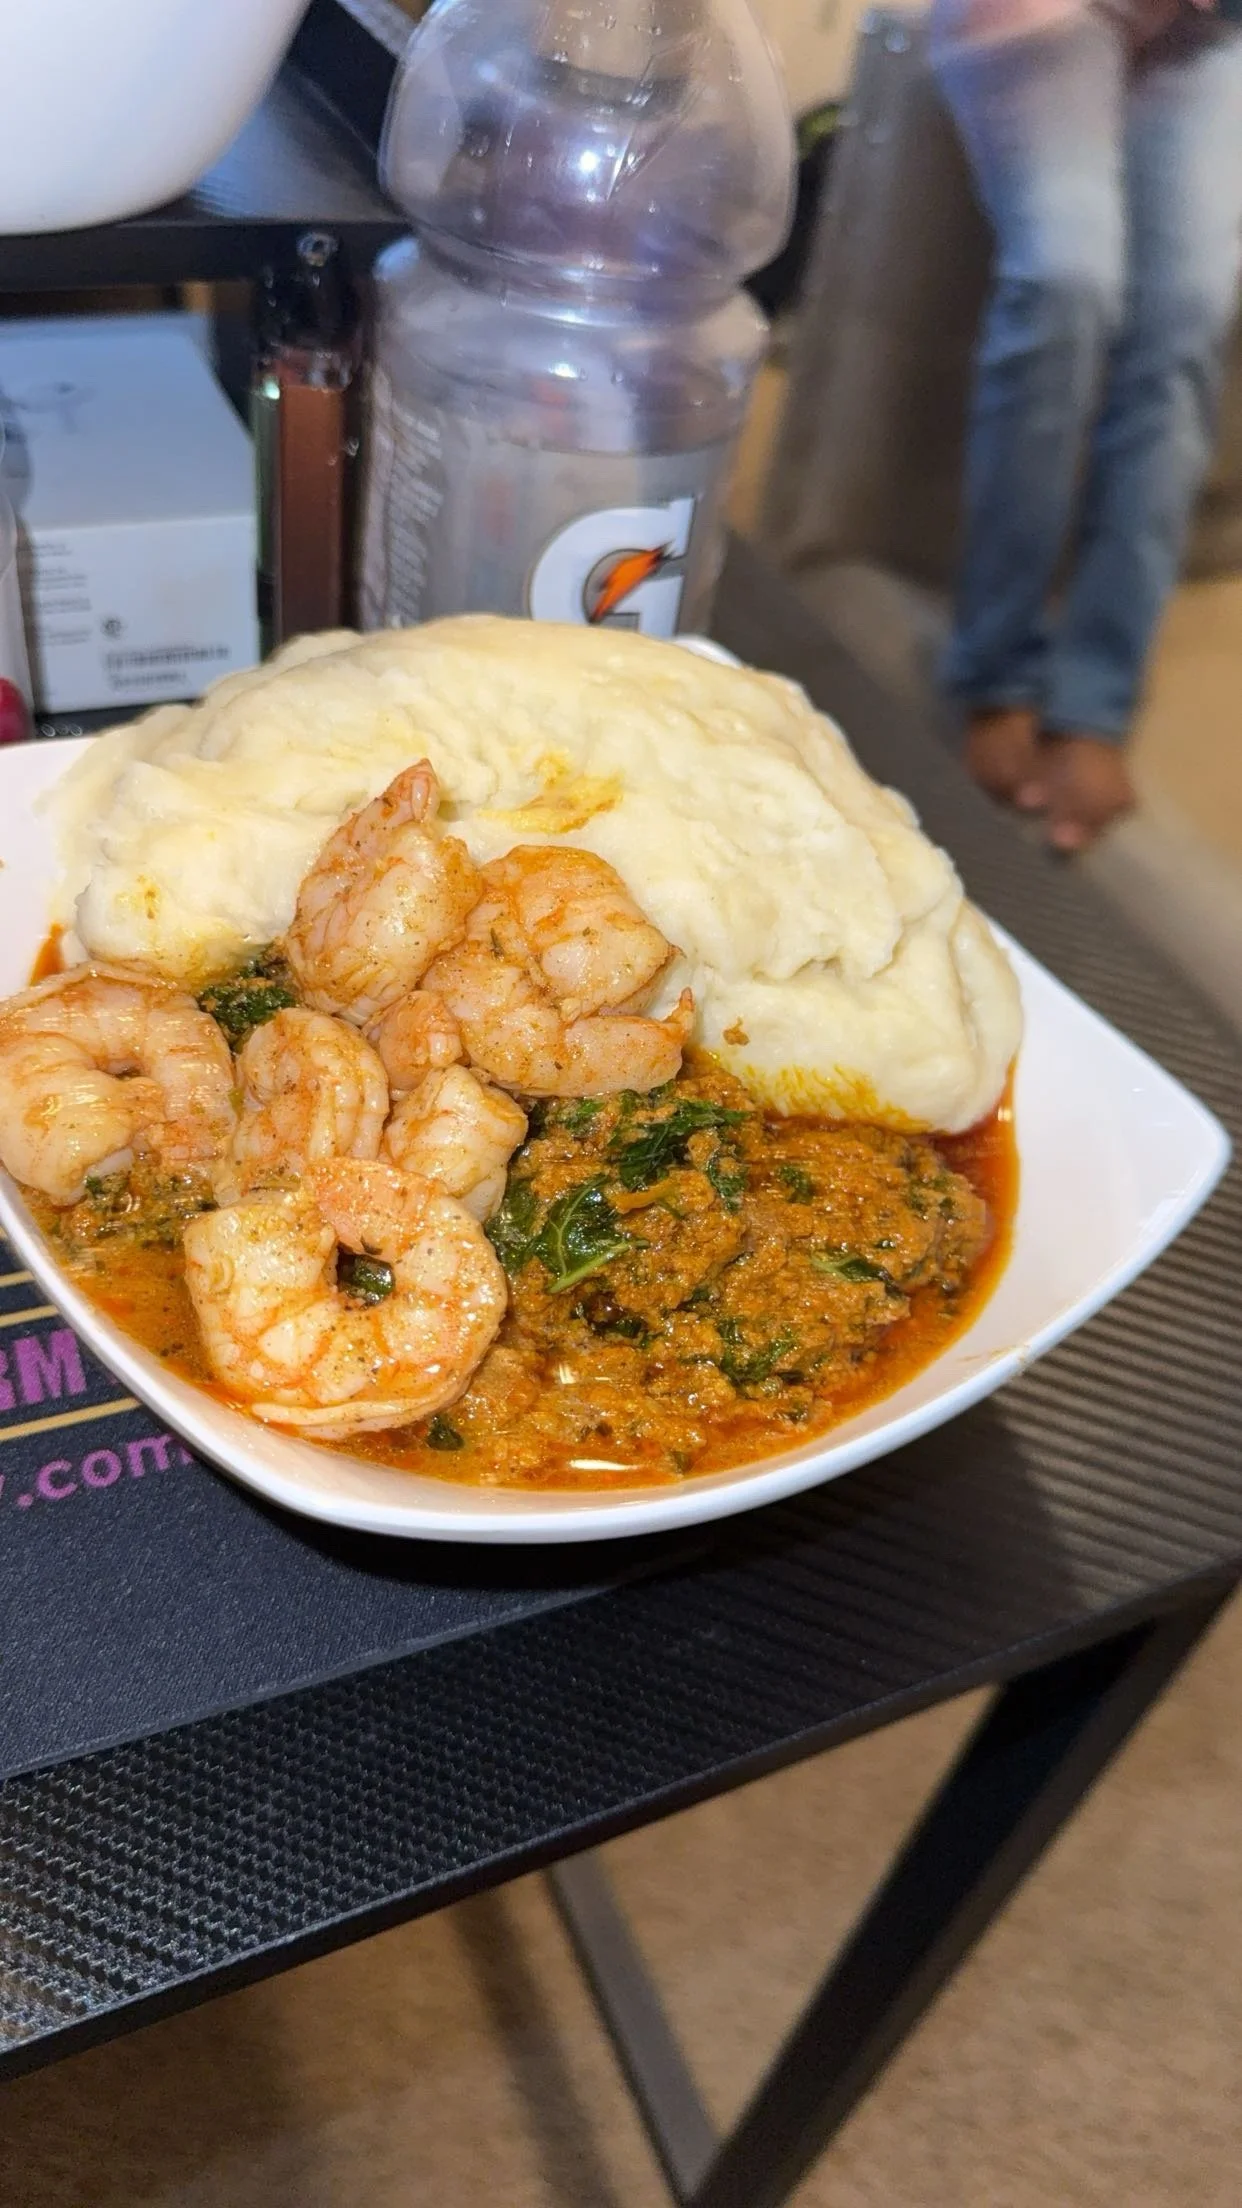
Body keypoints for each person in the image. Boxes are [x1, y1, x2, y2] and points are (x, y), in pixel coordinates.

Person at [928, 0, 1242, 850]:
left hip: (1215, 31)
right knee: (1069, 281)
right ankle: (997, 676)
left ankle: (1093, 702)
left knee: (1187, 318)